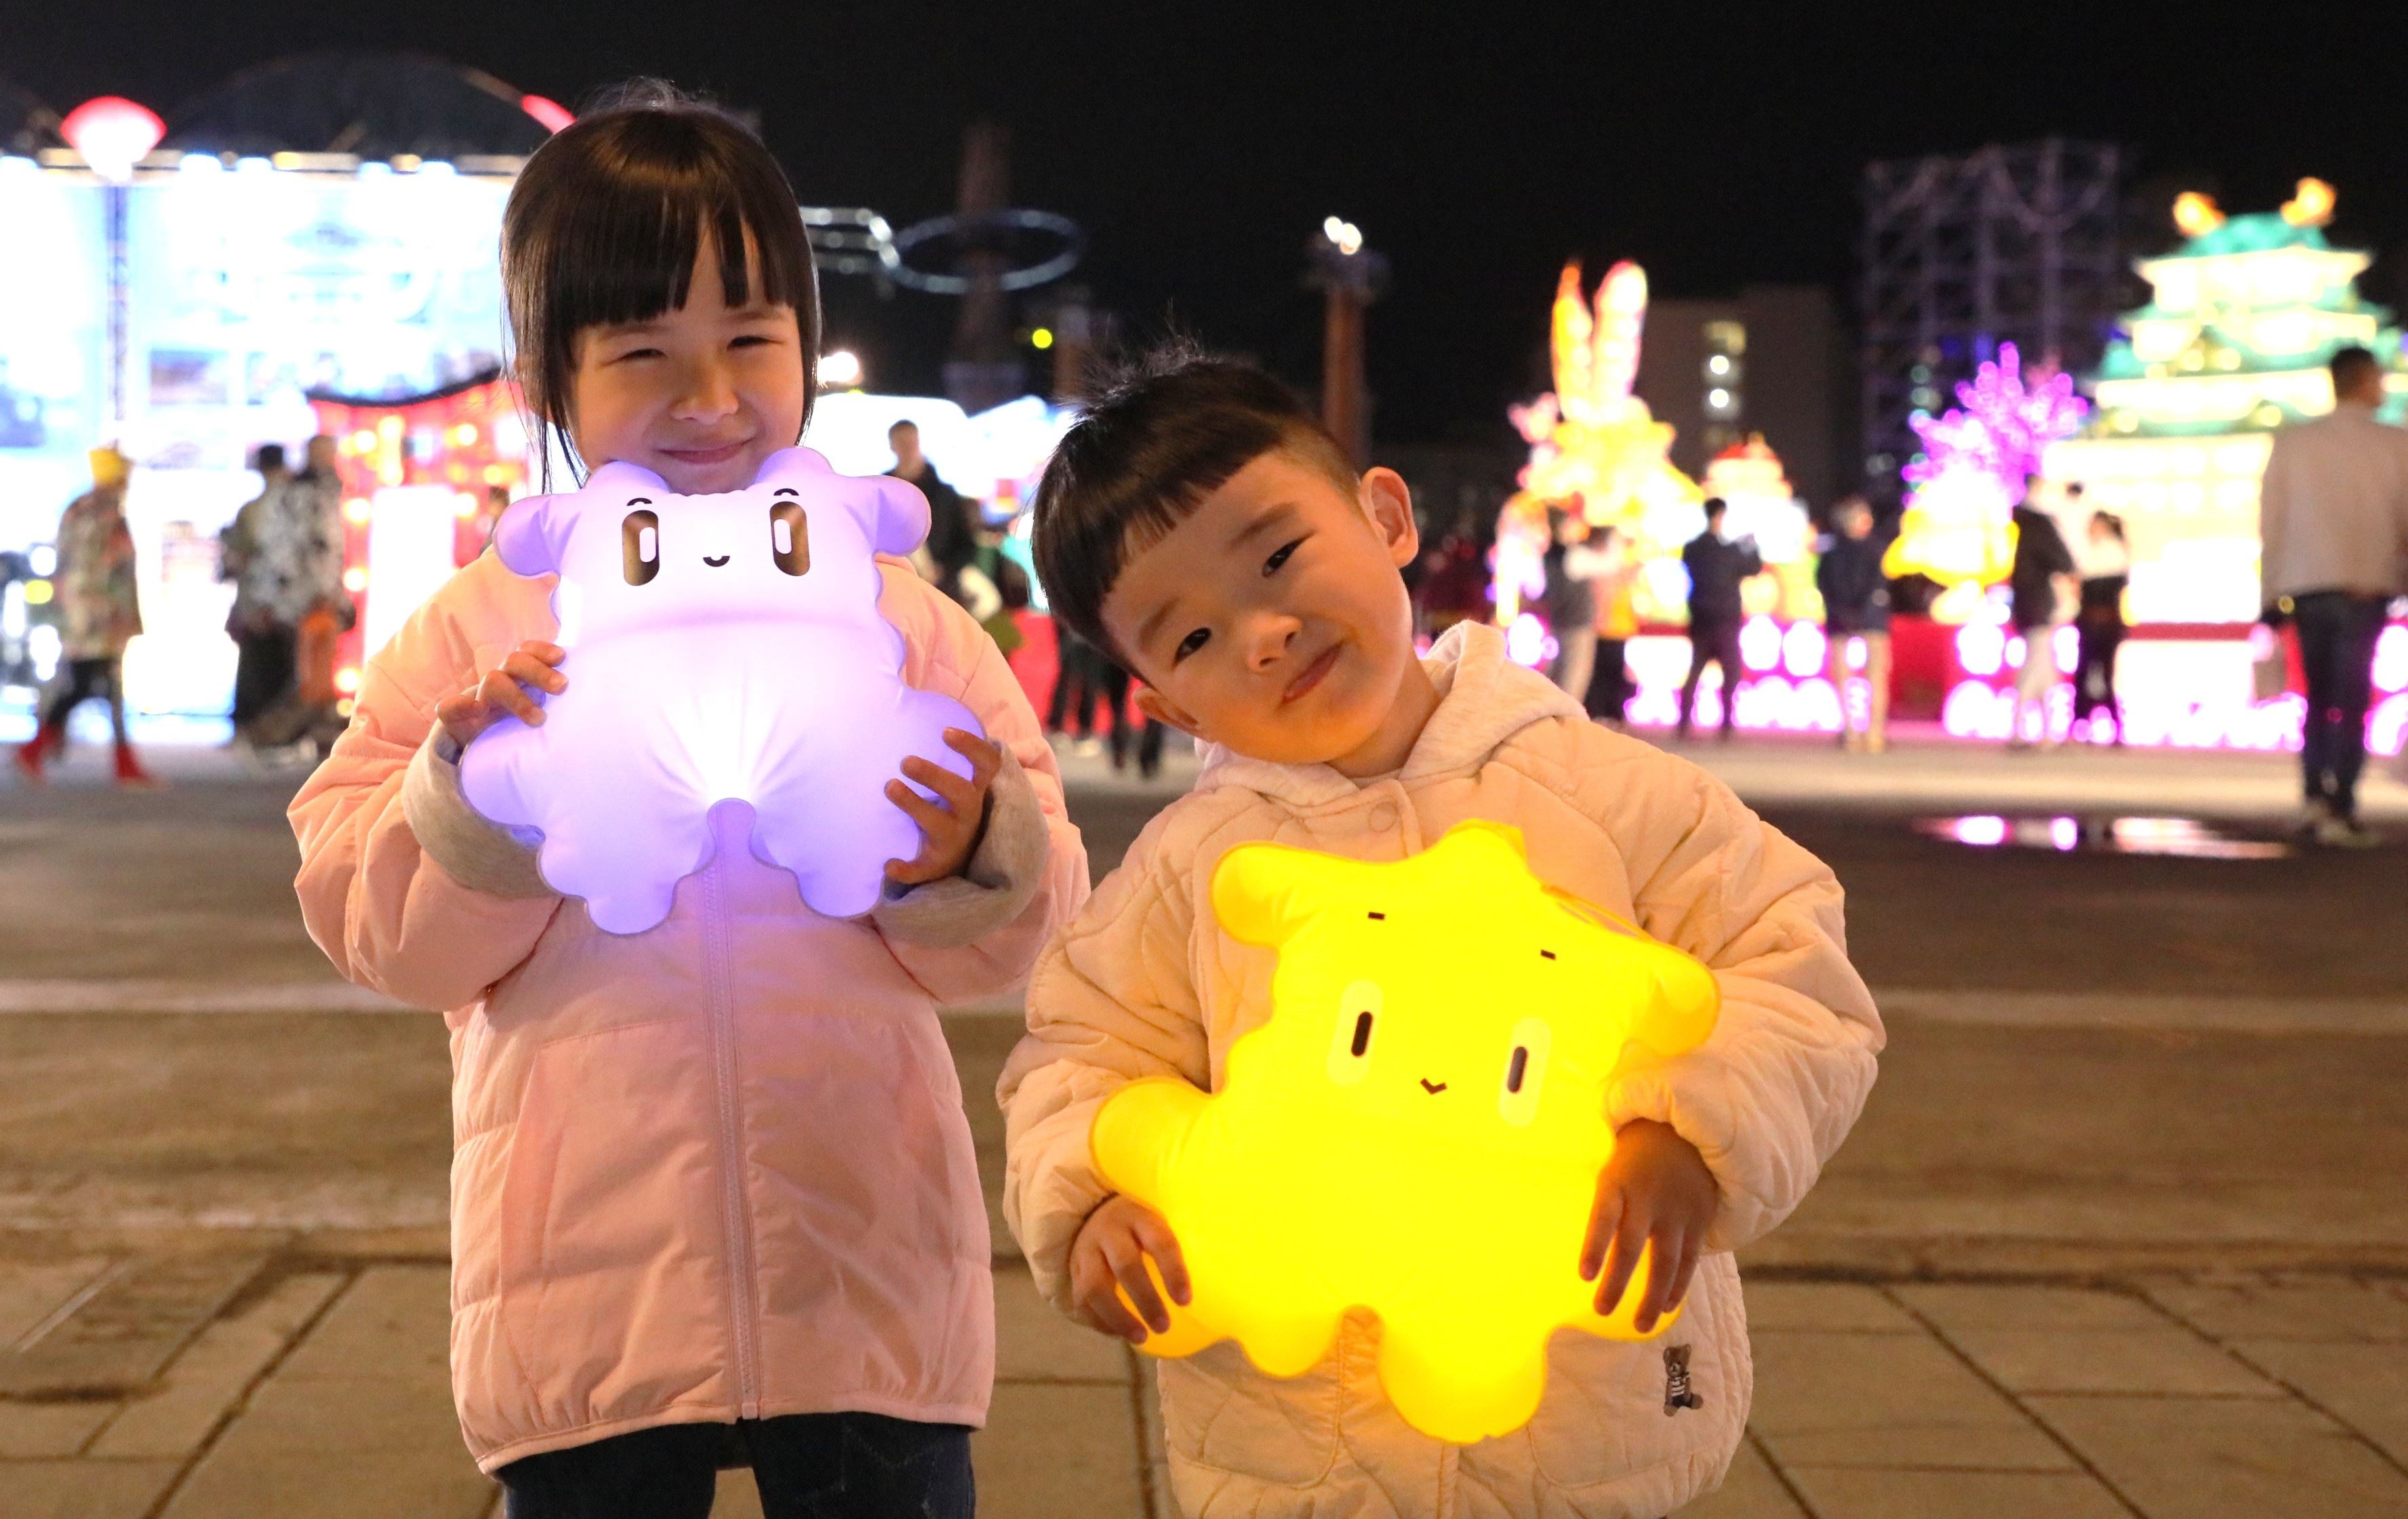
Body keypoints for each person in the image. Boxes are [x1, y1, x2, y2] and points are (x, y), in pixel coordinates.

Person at [286, 87, 1088, 1516]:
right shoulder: (482, 632)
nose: (710, 398)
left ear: (805, 344)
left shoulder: (895, 617)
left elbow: (1034, 921)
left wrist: (969, 850)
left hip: (859, 1261)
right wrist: (477, 806)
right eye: (646, 353)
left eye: (751, 342)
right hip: (583, 1276)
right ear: (552, 379)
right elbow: (370, 920)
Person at [1004, 348, 1881, 1519]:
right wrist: (1091, 1204)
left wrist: (1690, 1134)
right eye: (1193, 639)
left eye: (1278, 556)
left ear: (1385, 516)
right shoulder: (1187, 873)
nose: (1263, 631)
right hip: (1292, 1446)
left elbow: (1794, 967)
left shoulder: (1605, 793)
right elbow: (1080, 1052)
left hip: (1590, 1421)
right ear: (1162, 702)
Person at [2259, 344, 2408, 847]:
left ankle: (2312, 796)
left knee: (2318, 696)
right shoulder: (2395, 443)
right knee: (2353, 697)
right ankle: (2342, 800)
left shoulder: (2294, 443)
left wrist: (2270, 592)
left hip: (2308, 585)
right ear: (2364, 381)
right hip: (2367, 584)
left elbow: (2272, 521)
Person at [14, 447, 155, 786]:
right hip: (100, 617)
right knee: (94, 686)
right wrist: (124, 617)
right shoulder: (107, 513)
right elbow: (114, 570)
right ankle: (119, 763)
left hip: (77, 615)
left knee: (88, 685)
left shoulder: (76, 509)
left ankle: (41, 750)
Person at [223, 441, 347, 752]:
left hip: (291, 597)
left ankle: (283, 733)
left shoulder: (303, 495)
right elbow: (301, 550)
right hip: (297, 599)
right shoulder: (302, 496)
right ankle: (275, 733)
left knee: (293, 670)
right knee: (294, 671)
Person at [1674, 496, 1761, 741]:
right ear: (1719, 516)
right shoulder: (1729, 552)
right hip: (1726, 619)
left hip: (1700, 617)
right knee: (1730, 672)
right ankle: (1726, 725)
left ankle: (1684, 723)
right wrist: (1751, 546)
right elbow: (1754, 567)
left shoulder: (1692, 548)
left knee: (1696, 670)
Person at [2005, 476, 2077, 750]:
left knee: (2044, 669)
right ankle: (2020, 729)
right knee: (2036, 667)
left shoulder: (2025, 526)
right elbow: (2064, 560)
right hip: (2038, 607)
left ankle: (2047, 732)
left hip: (2029, 606)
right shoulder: (2039, 525)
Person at [1815, 495, 1891, 752]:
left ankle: (1861, 733)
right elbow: (1876, 586)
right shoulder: (1873, 550)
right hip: (1867, 618)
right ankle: (1867, 734)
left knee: (1857, 676)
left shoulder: (1833, 553)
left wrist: (1844, 611)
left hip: (1846, 618)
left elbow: (1825, 585)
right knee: (1868, 675)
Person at [889, 419, 975, 603]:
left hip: (941, 592)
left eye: (911, 442)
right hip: (895, 590)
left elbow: (966, 545)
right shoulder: (883, 492)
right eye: (902, 442)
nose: (907, 448)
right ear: (893, 446)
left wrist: (943, 570)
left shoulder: (945, 495)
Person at [2073, 503, 2129, 742]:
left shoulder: (2114, 553)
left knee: (2105, 674)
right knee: (2085, 672)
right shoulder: (2086, 551)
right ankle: (2081, 724)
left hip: (2105, 623)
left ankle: (2113, 726)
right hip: (2089, 622)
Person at [1580, 524, 1640, 726]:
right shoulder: (1597, 565)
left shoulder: (1614, 564)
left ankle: (1611, 713)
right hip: (1603, 628)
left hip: (1619, 627)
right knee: (1601, 673)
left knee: (1613, 672)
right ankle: (1599, 712)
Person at [1539, 506, 1599, 700]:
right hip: (1576, 625)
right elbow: (1609, 564)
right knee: (1572, 682)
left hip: (1559, 623)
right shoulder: (1573, 555)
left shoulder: (1550, 554)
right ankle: (1562, 717)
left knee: (1556, 677)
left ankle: (1551, 714)